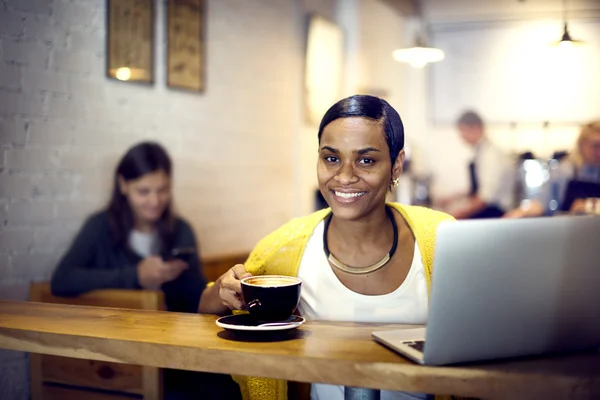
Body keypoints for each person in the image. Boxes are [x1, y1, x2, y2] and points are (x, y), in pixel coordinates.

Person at [198, 95, 454, 400]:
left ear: (396, 165)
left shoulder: (442, 241)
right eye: (331, 158)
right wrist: (223, 291)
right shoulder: (285, 249)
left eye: (366, 160)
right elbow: (207, 308)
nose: (344, 176)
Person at [51, 141, 241, 400]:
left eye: (162, 190)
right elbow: (61, 280)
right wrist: (135, 276)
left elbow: (197, 299)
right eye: (144, 191)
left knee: (224, 389)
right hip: (116, 355)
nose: (155, 200)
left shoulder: (180, 230)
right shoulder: (100, 227)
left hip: (175, 350)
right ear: (123, 186)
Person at [504, 120, 600, 218]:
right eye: (595, 146)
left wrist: (590, 206)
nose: (599, 152)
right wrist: (519, 214)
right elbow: (542, 202)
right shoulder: (564, 171)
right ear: (581, 145)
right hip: (570, 230)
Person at [438, 111, 514, 219]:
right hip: (489, 211)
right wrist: (453, 198)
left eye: (463, 132)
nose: (462, 138)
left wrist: (454, 216)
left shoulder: (491, 155)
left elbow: (485, 198)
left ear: (476, 128)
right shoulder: (481, 152)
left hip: (496, 215)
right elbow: (476, 189)